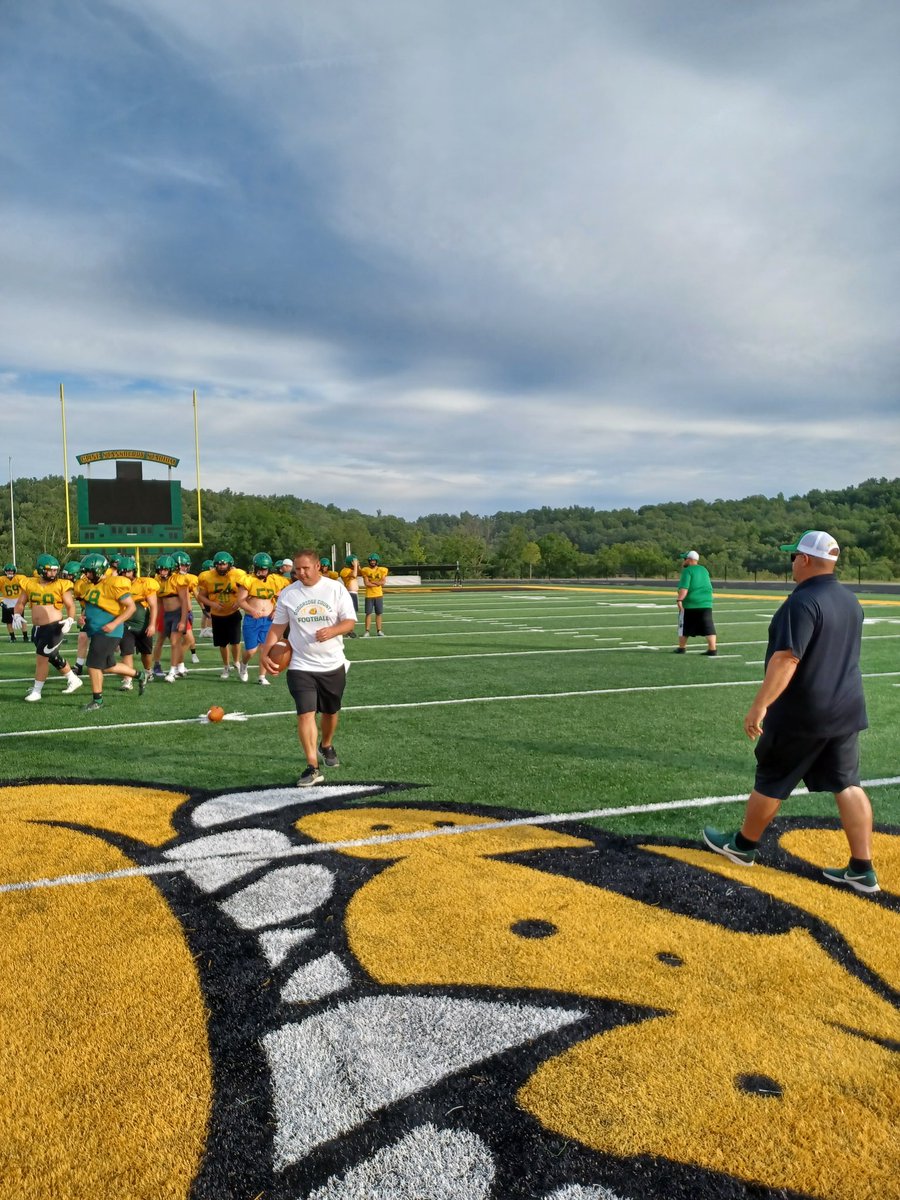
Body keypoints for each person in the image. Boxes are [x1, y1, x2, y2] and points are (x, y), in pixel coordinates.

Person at [703, 530, 879, 893]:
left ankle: (743, 846)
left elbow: (787, 658)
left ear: (806, 560)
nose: (792, 563)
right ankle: (862, 868)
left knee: (773, 778)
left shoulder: (802, 602)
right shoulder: (850, 600)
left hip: (805, 711)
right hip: (845, 709)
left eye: (794, 556)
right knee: (848, 784)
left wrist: (760, 704)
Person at [261, 550, 356, 786]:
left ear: (317, 567)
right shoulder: (288, 593)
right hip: (300, 664)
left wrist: (332, 631)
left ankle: (326, 744)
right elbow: (277, 627)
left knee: (330, 712)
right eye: (297, 569)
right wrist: (264, 653)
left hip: (332, 662)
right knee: (305, 713)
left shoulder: (335, 588)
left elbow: (349, 622)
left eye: (305, 568)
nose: (301, 573)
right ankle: (312, 766)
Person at [77, 552, 147, 711]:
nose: (87, 575)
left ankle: (98, 700)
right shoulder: (89, 586)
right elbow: (90, 607)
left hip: (109, 631)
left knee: (93, 665)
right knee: (108, 666)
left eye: (89, 572)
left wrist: (114, 623)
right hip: (96, 630)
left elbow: (131, 607)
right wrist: (82, 618)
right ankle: (140, 675)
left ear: (99, 570)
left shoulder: (113, 584)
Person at [14, 555, 83, 701]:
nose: (53, 573)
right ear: (41, 570)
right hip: (37, 628)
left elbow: (70, 605)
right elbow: (20, 603)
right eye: (50, 570)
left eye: (55, 570)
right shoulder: (29, 583)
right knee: (52, 656)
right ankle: (73, 679)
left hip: (54, 627)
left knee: (42, 658)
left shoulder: (61, 585)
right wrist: (17, 614)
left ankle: (37, 691)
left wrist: (70, 619)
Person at [235, 552, 289, 684]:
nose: (261, 571)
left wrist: (276, 609)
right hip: (252, 619)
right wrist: (252, 610)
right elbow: (241, 601)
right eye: (259, 568)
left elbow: (284, 596)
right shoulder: (248, 580)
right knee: (251, 651)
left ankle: (262, 677)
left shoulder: (274, 580)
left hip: (268, 620)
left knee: (266, 649)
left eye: (264, 569)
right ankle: (243, 665)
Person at [197, 551, 245, 679]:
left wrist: (239, 603)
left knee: (235, 641)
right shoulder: (207, 576)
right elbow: (201, 596)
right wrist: (212, 604)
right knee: (222, 644)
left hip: (233, 613)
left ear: (230, 564)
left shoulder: (238, 575)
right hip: (217, 615)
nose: (221, 567)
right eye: (219, 564)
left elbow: (246, 591)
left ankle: (236, 662)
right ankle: (226, 666)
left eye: (224, 564)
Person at [117, 557, 160, 689]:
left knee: (146, 653)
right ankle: (128, 680)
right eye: (122, 572)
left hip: (143, 625)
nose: (125, 575)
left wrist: (152, 625)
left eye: (128, 572)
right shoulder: (117, 585)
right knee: (127, 652)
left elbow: (153, 606)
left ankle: (148, 671)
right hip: (125, 624)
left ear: (134, 571)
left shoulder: (145, 584)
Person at [151, 554, 192, 681]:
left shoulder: (177, 579)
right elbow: (158, 603)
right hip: (166, 615)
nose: (162, 572)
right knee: (167, 641)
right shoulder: (157, 581)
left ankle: (172, 671)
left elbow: (184, 602)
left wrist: (183, 620)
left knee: (175, 642)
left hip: (177, 614)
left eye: (165, 569)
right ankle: (177, 667)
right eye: (160, 569)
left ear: (170, 569)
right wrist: (154, 621)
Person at [674, 550, 717, 655]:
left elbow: (684, 588)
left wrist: (679, 600)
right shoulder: (704, 570)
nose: (683, 561)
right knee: (708, 626)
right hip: (706, 602)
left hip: (691, 603)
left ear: (689, 560)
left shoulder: (687, 571)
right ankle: (712, 649)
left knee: (684, 626)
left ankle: (682, 647)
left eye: (685, 559)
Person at [360, 552, 389, 637]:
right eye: (371, 561)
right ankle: (367, 631)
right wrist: (377, 583)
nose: (372, 562)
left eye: (374, 561)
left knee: (379, 613)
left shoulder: (382, 570)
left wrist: (372, 582)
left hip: (379, 594)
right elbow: (367, 584)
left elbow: (383, 582)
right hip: (369, 595)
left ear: (377, 561)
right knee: (368, 613)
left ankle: (379, 630)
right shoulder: (365, 570)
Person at [2, 563, 29, 641]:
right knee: (9, 621)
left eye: (11, 571)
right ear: (5, 572)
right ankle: (13, 637)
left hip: (17, 602)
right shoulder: (2, 579)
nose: (10, 572)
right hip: (7, 602)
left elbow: (26, 586)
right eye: (8, 571)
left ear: (14, 571)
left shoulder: (19, 578)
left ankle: (25, 637)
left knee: (21, 620)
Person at [339, 554, 360, 637]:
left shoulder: (352, 570)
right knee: (349, 612)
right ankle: (348, 630)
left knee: (353, 612)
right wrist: (355, 565)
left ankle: (350, 630)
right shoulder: (345, 570)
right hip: (350, 593)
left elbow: (360, 573)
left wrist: (357, 566)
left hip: (354, 593)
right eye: (355, 561)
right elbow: (354, 575)